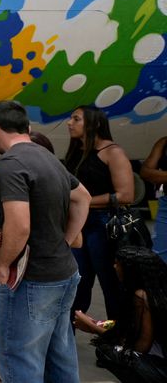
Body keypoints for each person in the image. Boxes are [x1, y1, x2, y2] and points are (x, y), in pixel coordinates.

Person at [0, 100, 91, 383]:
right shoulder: (49, 158)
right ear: (28, 128)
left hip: (32, 280)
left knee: (18, 360)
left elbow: (19, 226)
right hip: (64, 273)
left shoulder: (9, 163)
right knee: (61, 357)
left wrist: (2, 264)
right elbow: (83, 197)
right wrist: (65, 241)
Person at [65, 105, 135, 320]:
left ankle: (119, 342)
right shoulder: (76, 152)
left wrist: (83, 202)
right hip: (79, 223)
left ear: (94, 123)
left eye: (76, 119)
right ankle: (68, 335)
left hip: (103, 225)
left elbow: (126, 195)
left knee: (110, 284)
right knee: (77, 283)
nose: (69, 123)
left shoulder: (113, 152)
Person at [74, 246, 167, 383]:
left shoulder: (141, 296)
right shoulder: (157, 289)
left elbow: (140, 347)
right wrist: (97, 323)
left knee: (107, 352)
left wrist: (93, 328)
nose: (114, 266)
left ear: (131, 271)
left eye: (118, 264)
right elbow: (126, 326)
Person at [140, 135, 167, 262]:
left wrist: (160, 176)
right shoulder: (163, 142)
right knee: (161, 256)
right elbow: (146, 172)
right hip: (165, 204)